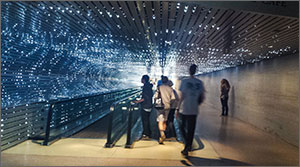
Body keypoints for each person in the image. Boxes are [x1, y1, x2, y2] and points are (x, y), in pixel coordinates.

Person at [176, 64, 205, 156]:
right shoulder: (200, 83)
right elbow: (202, 97)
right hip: (194, 109)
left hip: (184, 108)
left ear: (189, 71)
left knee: (181, 127)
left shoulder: (184, 82)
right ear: (195, 71)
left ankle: (187, 146)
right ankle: (188, 145)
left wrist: (177, 108)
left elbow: (181, 97)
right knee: (191, 129)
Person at [154, 76, 175, 144]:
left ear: (162, 81)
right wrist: (169, 103)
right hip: (167, 107)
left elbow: (155, 97)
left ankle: (162, 134)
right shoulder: (170, 88)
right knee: (165, 120)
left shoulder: (159, 87)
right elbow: (173, 98)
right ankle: (164, 132)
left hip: (160, 107)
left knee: (160, 121)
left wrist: (154, 102)